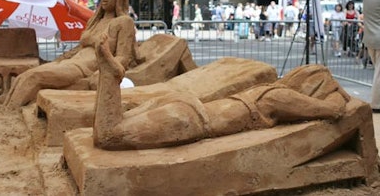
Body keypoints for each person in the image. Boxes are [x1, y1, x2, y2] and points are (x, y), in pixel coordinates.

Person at [93, 32, 349, 150]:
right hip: (193, 117)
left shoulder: (269, 95)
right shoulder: (273, 97)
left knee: (110, 133)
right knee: (109, 134)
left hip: (192, 112)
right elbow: (334, 109)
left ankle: (110, 76)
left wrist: (336, 97)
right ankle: (110, 75)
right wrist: (336, 95)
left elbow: (334, 110)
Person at [2, 0, 139, 110]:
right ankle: (6, 109)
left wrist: (103, 72)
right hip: (71, 62)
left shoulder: (123, 22)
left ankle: (9, 112)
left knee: (34, 77)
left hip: (84, 68)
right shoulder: (95, 21)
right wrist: (59, 60)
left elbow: (123, 57)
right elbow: (79, 48)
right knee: (25, 75)